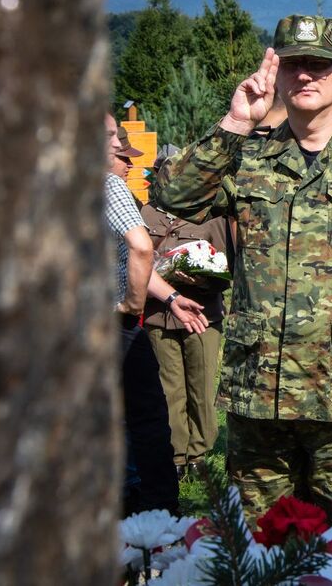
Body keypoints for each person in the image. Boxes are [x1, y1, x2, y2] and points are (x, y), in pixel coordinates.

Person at [152, 15, 332, 530]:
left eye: (319, 65)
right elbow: (174, 196)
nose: (306, 76)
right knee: (261, 554)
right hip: (259, 395)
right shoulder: (247, 158)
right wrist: (237, 122)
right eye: (293, 65)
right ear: (277, 73)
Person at [104, 114, 207, 515]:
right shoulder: (107, 183)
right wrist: (130, 307)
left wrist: (169, 297)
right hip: (114, 326)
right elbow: (141, 248)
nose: (118, 145)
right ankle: (155, 514)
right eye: (110, 136)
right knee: (147, 418)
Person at [141, 155, 231, 479]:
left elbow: (226, 267)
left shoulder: (212, 215)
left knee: (202, 387)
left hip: (202, 315)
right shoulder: (146, 214)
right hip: (158, 315)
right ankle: (176, 456)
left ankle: (200, 454)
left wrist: (203, 277)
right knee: (169, 389)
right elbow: (137, 260)